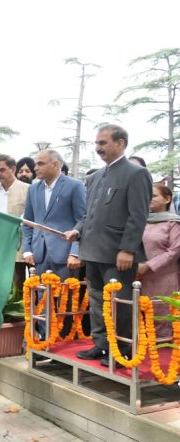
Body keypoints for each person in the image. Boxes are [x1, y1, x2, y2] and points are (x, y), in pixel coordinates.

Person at [64, 124, 153, 366]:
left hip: (118, 253)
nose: (98, 148)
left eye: (103, 143)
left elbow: (138, 216)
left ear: (120, 143)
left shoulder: (136, 174)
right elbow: (88, 215)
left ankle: (122, 349)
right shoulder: (94, 177)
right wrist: (77, 231)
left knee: (120, 303)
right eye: (96, 143)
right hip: (92, 250)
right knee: (96, 301)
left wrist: (128, 249)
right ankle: (101, 344)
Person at [23, 150, 86, 277]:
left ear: (56, 165)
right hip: (38, 255)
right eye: (35, 164)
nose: (35, 168)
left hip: (66, 257)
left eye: (40, 164)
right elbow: (28, 222)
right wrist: (27, 250)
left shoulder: (74, 186)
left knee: (65, 290)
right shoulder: (33, 189)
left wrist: (75, 253)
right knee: (39, 290)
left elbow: (83, 220)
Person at [137, 184, 180, 338]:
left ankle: (163, 349)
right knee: (140, 311)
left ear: (167, 199)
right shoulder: (140, 220)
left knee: (162, 312)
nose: (149, 199)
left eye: (154, 196)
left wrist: (148, 266)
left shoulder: (173, 223)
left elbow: (175, 251)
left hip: (164, 276)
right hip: (138, 276)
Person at [0, 154, 30, 289]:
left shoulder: (27, 189)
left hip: (20, 243)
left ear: (13, 169)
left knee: (19, 281)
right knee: (0, 282)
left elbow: (31, 216)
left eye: (2, 170)